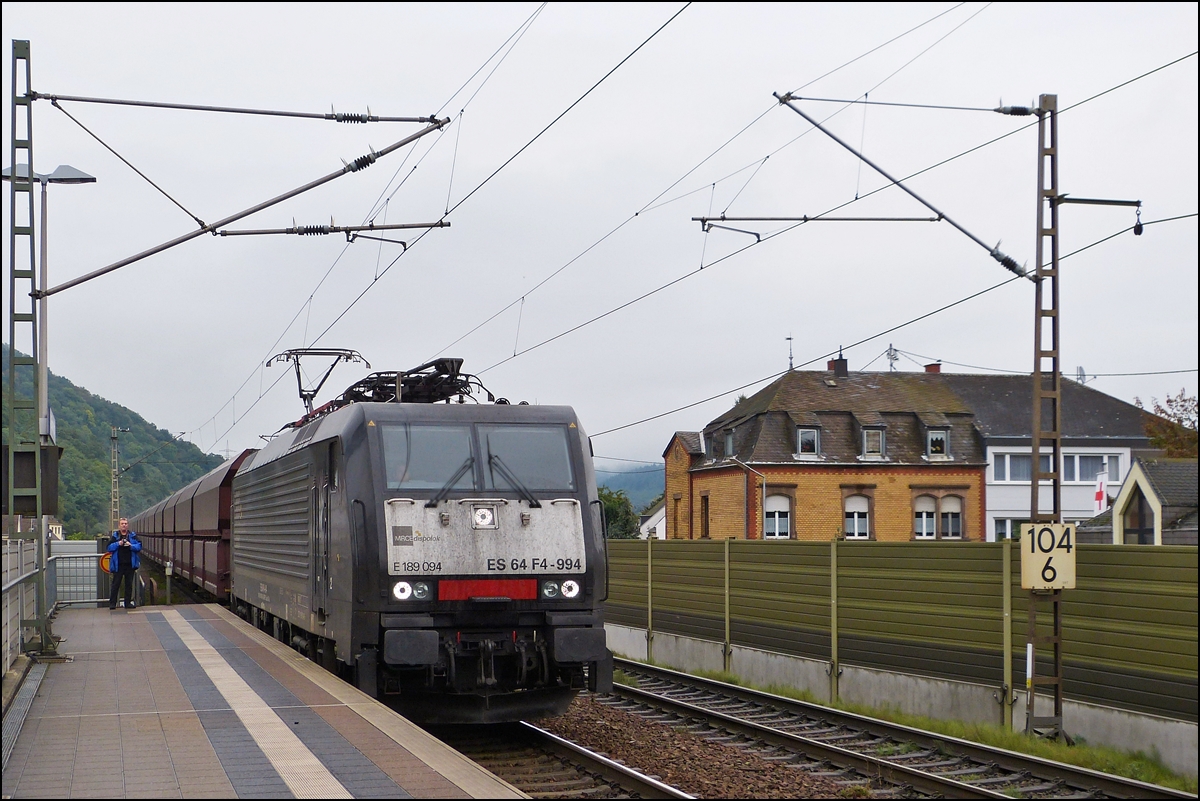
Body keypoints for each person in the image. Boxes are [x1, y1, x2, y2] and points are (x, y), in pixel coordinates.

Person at [107, 518, 142, 610]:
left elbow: (139, 546)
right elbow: (109, 547)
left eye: (125, 523)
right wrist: (119, 543)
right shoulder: (115, 536)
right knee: (116, 584)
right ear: (119, 525)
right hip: (118, 564)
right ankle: (112, 603)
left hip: (130, 564)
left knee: (129, 584)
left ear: (128, 525)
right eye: (122, 523)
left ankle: (127, 603)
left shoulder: (133, 536)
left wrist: (131, 545)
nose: (124, 525)